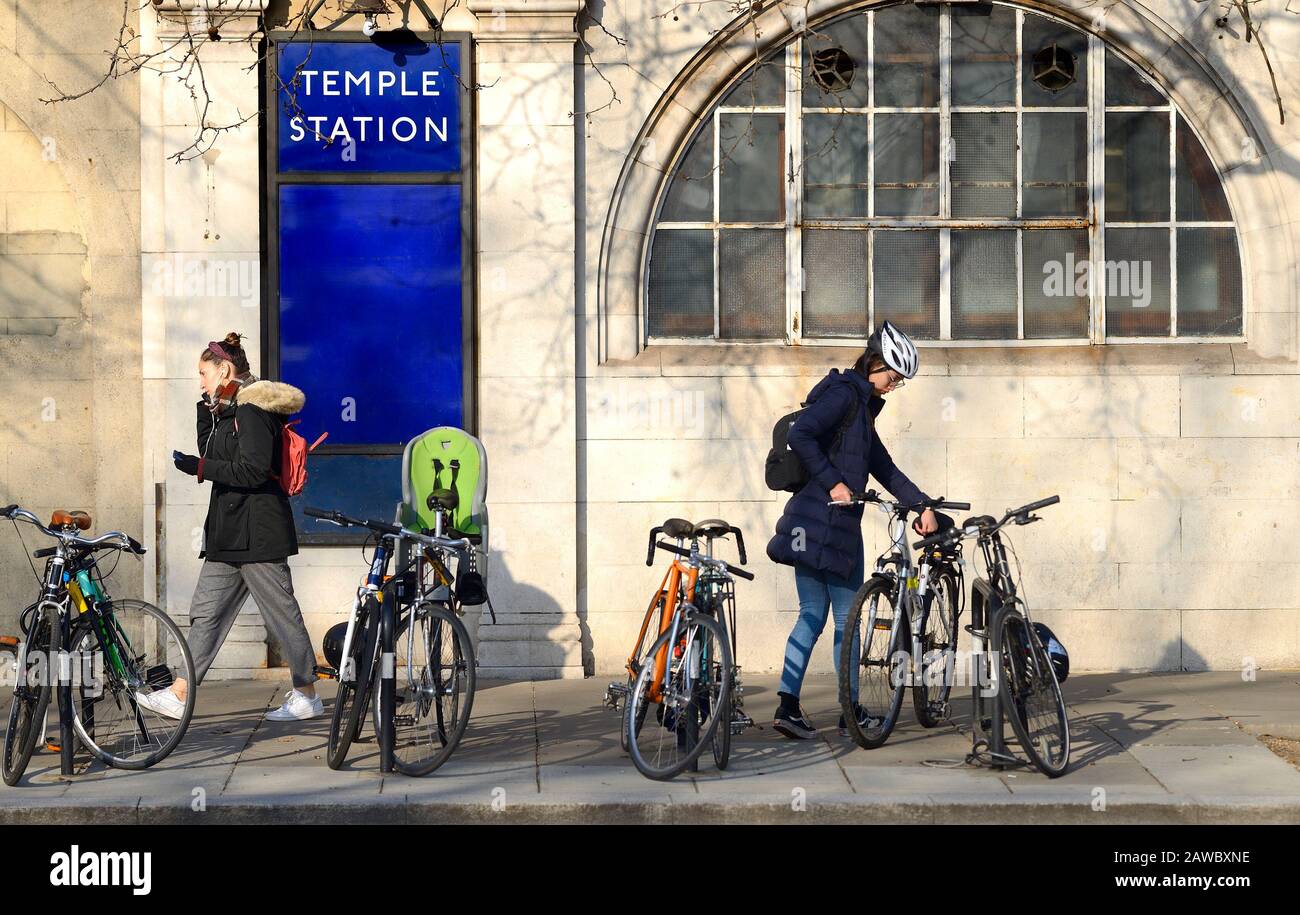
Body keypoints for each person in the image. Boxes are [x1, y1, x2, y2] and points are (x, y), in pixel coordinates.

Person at [136, 333, 323, 722]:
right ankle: (180, 693)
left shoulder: (253, 409)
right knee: (206, 613)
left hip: (258, 532)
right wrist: (207, 409)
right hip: (229, 533)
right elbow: (212, 452)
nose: (200, 381)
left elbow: (253, 470)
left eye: (203, 374)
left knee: (282, 616)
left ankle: (306, 693)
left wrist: (200, 468)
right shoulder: (228, 409)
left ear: (224, 369)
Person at [766, 321, 939, 739]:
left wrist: (920, 503)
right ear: (874, 363)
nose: (892, 386)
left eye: (898, 382)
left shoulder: (858, 410)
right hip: (831, 527)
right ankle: (850, 712)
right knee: (849, 621)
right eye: (891, 377)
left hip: (808, 524)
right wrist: (835, 482)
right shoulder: (847, 396)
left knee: (811, 616)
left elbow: (884, 467)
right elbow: (802, 434)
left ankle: (788, 707)